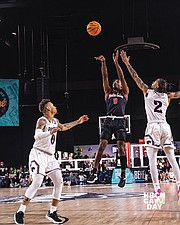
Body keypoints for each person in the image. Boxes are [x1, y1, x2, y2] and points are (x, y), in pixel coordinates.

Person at [14, 99, 89, 225]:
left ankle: (52, 212)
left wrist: (78, 121)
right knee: (37, 182)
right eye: (52, 105)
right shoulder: (42, 120)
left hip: (50, 156)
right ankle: (20, 211)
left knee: (59, 182)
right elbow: (36, 136)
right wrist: (49, 132)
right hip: (38, 154)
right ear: (48, 108)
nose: (55, 106)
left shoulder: (55, 121)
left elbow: (64, 127)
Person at [120, 50, 180, 205]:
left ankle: (157, 189)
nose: (153, 81)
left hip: (153, 127)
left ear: (156, 85)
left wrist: (127, 63)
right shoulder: (168, 95)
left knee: (152, 161)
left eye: (155, 81)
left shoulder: (148, 91)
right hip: (166, 127)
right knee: (172, 159)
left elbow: (135, 77)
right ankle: (179, 187)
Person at [87, 50, 129, 188]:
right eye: (115, 81)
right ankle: (94, 171)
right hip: (108, 121)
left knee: (121, 147)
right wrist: (104, 63)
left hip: (120, 121)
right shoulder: (108, 92)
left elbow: (122, 76)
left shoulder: (125, 92)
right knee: (102, 146)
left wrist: (116, 63)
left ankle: (123, 175)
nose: (116, 81)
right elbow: (105, 76)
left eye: (118, 81)